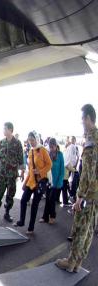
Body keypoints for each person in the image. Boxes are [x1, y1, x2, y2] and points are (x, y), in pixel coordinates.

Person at [56, 104, 98, 273]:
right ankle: (78, 262)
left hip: (88, 193)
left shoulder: (92, 139)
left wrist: (81, 196)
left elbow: (89, 171)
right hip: (95, 194)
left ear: (88, 118)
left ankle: (71, 262)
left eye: (82, 118)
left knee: (81, 228)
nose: (81, 122)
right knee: (88, 229)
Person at [13, 132, 52, 234]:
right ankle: (21, 221)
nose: (31, 142)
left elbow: (49, 164)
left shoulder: (43, 150)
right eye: (29, 140)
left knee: (34, 205)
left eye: (32, 140)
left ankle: (31, 228)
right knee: (23, 200)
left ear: (37, 139)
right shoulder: (30, 151)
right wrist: (25, 182)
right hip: (31, 182)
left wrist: (40, 171)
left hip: (40, 182)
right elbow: (30, 169)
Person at [0, 122, 25, 224]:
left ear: (10, 130)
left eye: (5, 129)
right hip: (1, 175)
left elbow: (21, 160)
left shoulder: (17, 143)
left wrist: (22, 172)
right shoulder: (1, 142)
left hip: (11, 176)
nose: (3, 131)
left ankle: (7, 213)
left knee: (10, 196)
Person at [40, 138, 64, 224]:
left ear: (56, 145)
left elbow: (62, 170)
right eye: (50, 147)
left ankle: (52, 216)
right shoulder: (48, 154)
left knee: (51, 200)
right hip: (48, 181)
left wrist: (59, 182)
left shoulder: (60, 155)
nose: (51, 148)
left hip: (56, 182)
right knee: (47, 199)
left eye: (52, 146)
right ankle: (45, 217)